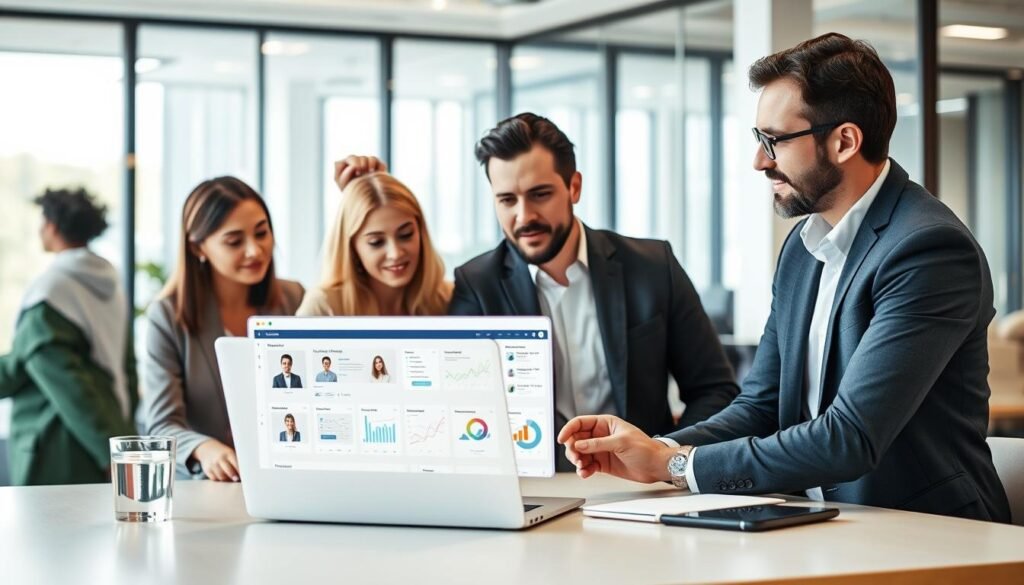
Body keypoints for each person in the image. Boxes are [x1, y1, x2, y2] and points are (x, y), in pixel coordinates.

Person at [557, 33, 1011, 523]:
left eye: (775, 140)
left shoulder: (927, 249)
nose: (760, 160)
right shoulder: (802, 248)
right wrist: (655, 450)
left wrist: (676, 466)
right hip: (816, 521)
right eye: (759, 139)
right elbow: (762, 405)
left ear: (844, 141)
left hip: (926, 530)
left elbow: (850, 436)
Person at [449, 112, 739, 470]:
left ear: (574, 187)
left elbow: (715, 390)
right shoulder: (477, 284)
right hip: (534, 486)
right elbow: (460, 409)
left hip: (645, 485)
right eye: (507, 200)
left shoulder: (652, 267)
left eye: (540, 194)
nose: (524, 216)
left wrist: (662, 457)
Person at [141, 177, 304, 482]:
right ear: (197, 247)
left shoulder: (293, 299)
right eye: (234, 241)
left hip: (284, 477)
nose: (255, 251)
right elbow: (161, 425)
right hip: (209, 486)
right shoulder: (167, 317)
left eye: (261, 233)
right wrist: (204, 449)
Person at [0, 188, 137, 485]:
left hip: (55, 449)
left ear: (52, 226)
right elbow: (128, 367)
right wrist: (120, 443)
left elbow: (66, 382)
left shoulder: (50, 292)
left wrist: (108, 452)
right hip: (109, 433)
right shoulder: (110, 286)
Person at [296, 156, 451, 316]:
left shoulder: (449, 299)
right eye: (376, 242)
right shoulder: (323, 306)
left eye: (406, 235)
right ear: (352, 247)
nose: (395, 253)